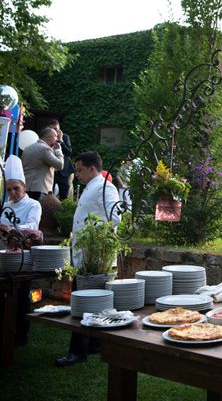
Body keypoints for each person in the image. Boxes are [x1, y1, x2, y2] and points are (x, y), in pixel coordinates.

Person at [56, 151, 121, 367]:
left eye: (80, 169)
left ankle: (77, 351)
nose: (78, 174)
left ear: (93, 168)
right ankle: (94, 344)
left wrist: (93, 238)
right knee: (91, 299)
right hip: (84, 254)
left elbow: (115, 217)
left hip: (95, 255)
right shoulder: (89, 187)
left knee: (84, 300)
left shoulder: (106, 187)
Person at [0, 155, 43, 346]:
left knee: (22, 295)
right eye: (9, 189)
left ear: (24, 187)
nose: (13, 193)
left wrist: (8, 228)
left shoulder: (34, 205)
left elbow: (31, 226)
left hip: (24, 258)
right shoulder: (5, 206)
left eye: (16, 188)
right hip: (5, 258)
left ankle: (21, 334)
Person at [21, 127, 64, 201]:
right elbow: (60, 165)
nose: (57, 139)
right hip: (39, 189)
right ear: (49, 137)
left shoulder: (27, 148)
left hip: (26, 187)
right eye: (55, 136)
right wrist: (58, 151)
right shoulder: (45, 149)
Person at [45, 118, 73, 200]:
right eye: (52, 129)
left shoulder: (65, 137)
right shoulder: (46, 138)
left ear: (59, 129)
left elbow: (69, 152)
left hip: (64, 170)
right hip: (51, 170)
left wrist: (61, 141)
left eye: (56, 129)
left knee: (64, 196)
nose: (54, 131)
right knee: (49, 195)